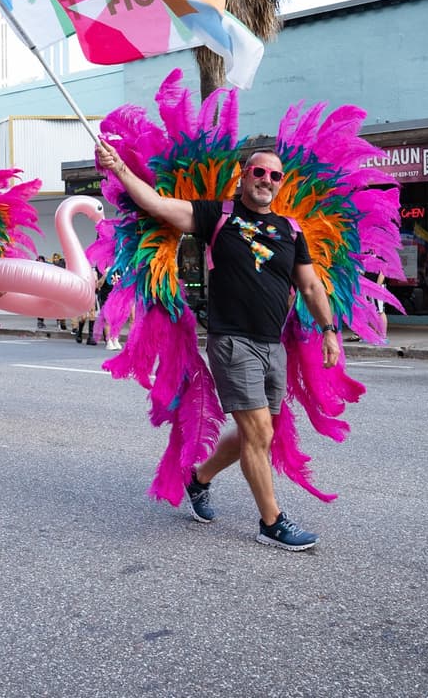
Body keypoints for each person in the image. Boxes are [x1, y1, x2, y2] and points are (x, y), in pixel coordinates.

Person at [96, 140, 340, 552]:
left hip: (272, 345)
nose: (266, 180)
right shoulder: (218, 215)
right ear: (244, 177)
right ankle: (271, 523)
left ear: (281, 183)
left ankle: (199, 478)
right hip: (233, 341)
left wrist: (329, 330)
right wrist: (118, 167)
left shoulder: (290, 230)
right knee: (258, 431)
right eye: (258, 172)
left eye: (274, 175)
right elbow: (157, 204)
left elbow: (311, 286)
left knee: (259, 433)